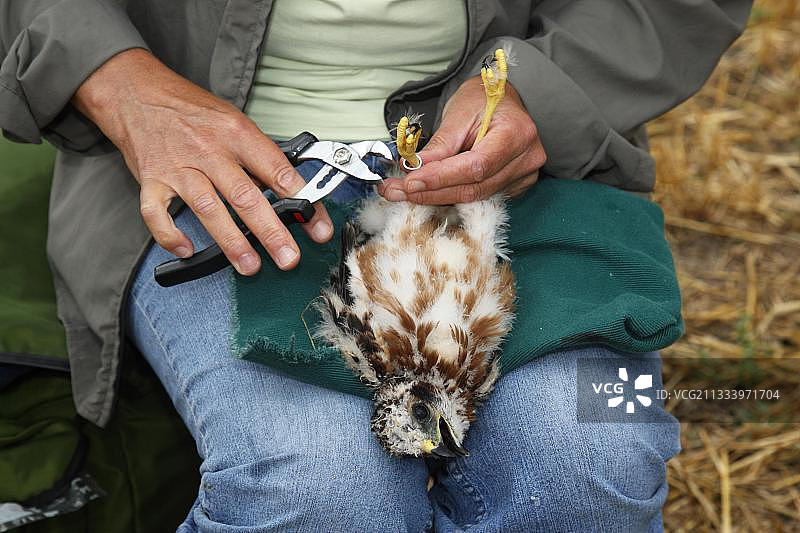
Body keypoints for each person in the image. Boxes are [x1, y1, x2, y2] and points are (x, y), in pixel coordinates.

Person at [0, 1, 751, 531]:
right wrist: (121, 83)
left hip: (533, 170)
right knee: (316, 490)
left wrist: (545, 95)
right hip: (203, 175)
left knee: (597, 464)